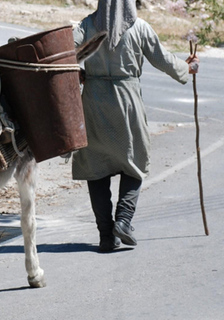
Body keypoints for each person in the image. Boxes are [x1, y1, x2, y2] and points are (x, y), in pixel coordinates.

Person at [72, 0, 199, 252]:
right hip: (127, 103)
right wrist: (188, 67)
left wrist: (77, 70)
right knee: (135, 159)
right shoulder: (140, 28)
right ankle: (124, 220)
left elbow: (64, 52)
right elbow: (162, 60)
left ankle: (106, 235)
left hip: (93, 103)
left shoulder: (86, 25)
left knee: (96, 168)